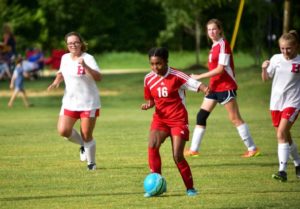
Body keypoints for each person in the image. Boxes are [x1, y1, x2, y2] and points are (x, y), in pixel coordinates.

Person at [184, 18, 260, 158]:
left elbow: (220, 69)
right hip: (214, 88)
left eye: (214, 29)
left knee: (235, 119)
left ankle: (252, 148)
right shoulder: (213, 47)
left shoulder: (223, 44)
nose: (211, 32)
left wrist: (199, 76)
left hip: (226, 87)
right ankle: (194, 150)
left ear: (219, 30)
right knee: (201, 116)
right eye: (209, 30)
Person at [141, 47, 209, 197]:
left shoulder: (177, 75)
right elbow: (151, 100)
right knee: (152, 146)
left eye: (158, 63)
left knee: (177, 155)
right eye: (152, 64)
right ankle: (157, 185)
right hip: (160, 119)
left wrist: (205, 88)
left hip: (178, 120)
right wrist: (148, 105)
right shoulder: (148, 78)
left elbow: (195, 83)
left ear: (166, 61)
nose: (155, 67)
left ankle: (190, 188)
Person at [47, 32, 102, 170]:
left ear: (81, 43)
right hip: (70, 102)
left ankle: (91, 164)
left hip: (88, 103)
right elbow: (61, 72)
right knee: (63, 130)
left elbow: (98, 77)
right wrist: (55, 82)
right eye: (70, 43)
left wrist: (85, 66)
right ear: (67, 45)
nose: (73, 45)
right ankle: (83, 146)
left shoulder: (88, 58)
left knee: (86, 134)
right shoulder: (65, 58)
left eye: (76, 42)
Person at [261, 30, 300, 182]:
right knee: (285, 136)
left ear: (296, 46)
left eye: (288, 48)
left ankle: (282, 171)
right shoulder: (276, 59)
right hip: (276, 103)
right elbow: (265, 79)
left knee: (281, 134)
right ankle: (298, 163)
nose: (285, 51)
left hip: (293, 102)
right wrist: (264, 68)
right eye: (282, 48)